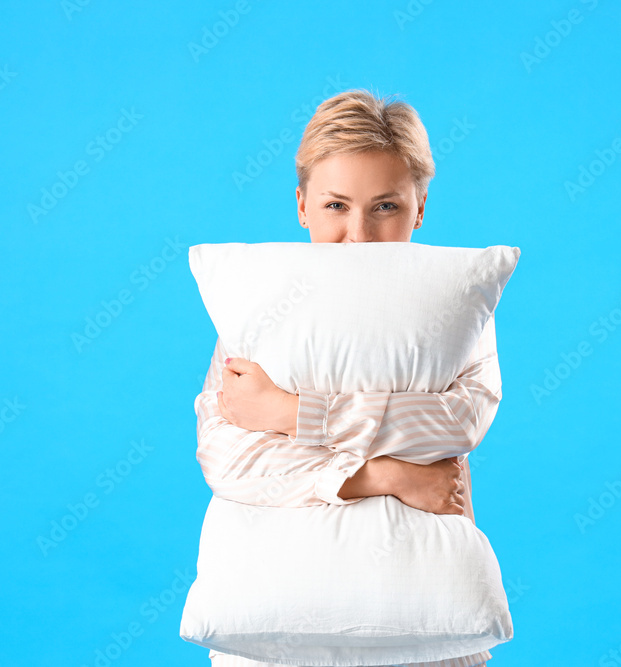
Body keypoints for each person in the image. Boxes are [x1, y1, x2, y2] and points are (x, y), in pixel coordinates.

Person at [196, 89, 502, 667]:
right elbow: (229, 460)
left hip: (427, 628)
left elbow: (457, 424)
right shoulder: (258, 309)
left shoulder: (454, 307)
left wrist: (291, 414)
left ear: (419, 208)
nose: (358, 235)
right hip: (271, 634)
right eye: (336, 206)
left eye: (384, 206)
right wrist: (384, 475)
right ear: (302, 206)